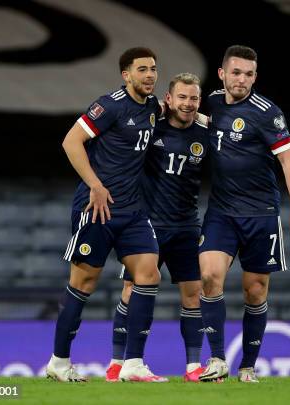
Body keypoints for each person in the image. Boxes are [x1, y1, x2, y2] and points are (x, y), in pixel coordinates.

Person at [46, 47, 167, 383]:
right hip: (96, 208)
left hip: (132, 210)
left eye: (154, 69)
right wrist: (95, 185)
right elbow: (71, 142)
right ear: (126, 75)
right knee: (83, 283)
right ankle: (58, 362)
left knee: (149, 274)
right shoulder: (109, 104)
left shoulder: (154, 108)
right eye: (142, 69)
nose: (149, 75)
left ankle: (133, 364)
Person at [197, 45, 290, 383]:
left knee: (255, 292)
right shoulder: (212, 102)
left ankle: (247, 367)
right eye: (236, 72)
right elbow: (198, 121)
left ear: (254, 77)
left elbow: (288, 161)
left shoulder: (267, 112)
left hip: (261, 214)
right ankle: (216, 359)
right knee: (209, 277)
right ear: (222, 74)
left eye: (248, 74)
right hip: (222, 211)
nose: (241, 80)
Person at [105, 73, 209, 383]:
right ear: (169, 99)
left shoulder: (206, 131)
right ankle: (116, 363)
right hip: (148, 224)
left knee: (193, 294)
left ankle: (193, 367)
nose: (187, 104)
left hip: (187, 226)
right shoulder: (152, 126)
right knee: (130, 291)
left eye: (193, 98)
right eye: (182, 97)